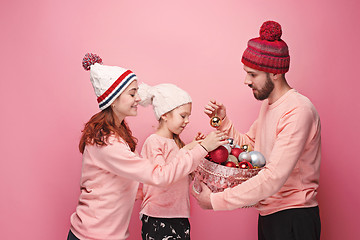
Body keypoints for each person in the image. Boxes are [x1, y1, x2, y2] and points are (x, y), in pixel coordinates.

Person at [67, 53, 227, 240]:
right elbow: (160, 175)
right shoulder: (109, 143)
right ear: (114, 99)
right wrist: (202, 148)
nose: (138, 99)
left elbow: (120, 180)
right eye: (132, 94)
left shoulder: (119, 134)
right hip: (92, 236)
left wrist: (148, 193)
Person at [191, 21, 322, 240]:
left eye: (253, 74)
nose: (246, 81)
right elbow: (250, 148)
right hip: (270, 213)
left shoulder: (298, 110)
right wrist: (223, 122)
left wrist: (215, 201)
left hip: (293, 217)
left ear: (275, 74)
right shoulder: (269, 105)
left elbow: (273, 177)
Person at [137, 83, 220, 240]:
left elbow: (181, 179)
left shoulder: (176, 143)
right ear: (164, 114)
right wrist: (196, 148)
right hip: (157, 217)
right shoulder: (153, 142)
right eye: (183, 116)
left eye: (188, 116)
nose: (187, 121)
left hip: (179, 216)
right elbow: (163, 177)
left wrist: (196, 156)